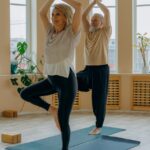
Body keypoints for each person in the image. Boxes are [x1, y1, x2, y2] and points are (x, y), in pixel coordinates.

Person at [20, 0, 82, 150]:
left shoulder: (71, 32)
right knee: (25, 93)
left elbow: (79, 6)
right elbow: (42, 13)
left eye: (58, 14)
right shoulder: (50, 31)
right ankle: (51, 110)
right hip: (52, 80)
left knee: (63, 120)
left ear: (66, 16)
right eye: (53, 14)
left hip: (67, 82)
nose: (54, 17)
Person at [77, 0, 112, 135]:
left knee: (98, 99)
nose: (92, 21)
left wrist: (98, 2)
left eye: (96, 20)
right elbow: (83, 16)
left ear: (102, 23)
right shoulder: (88, 32)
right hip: (88, 69)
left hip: (101, 70)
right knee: (72, 79)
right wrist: (92, 4)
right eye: (92, 20)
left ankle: (98, 126)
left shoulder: (105, 32)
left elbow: (107, 12)